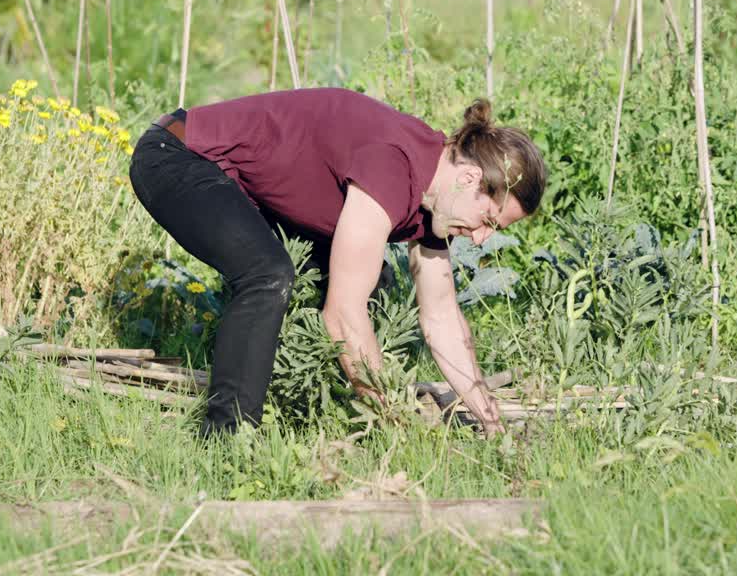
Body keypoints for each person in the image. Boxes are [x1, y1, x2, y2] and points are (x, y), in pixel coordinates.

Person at [127, 88, 547, 438]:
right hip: (178, 156)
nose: (478, 237)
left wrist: (492, 424)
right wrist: (394, 423)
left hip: (237, 185)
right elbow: (342, 315)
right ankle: (225, 442)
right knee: (268, 275)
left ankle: (317, 411)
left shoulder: (433, 201)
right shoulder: (394, 165)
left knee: (373, 282)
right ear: (470, 179)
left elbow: (442, 319)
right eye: (488, 220)